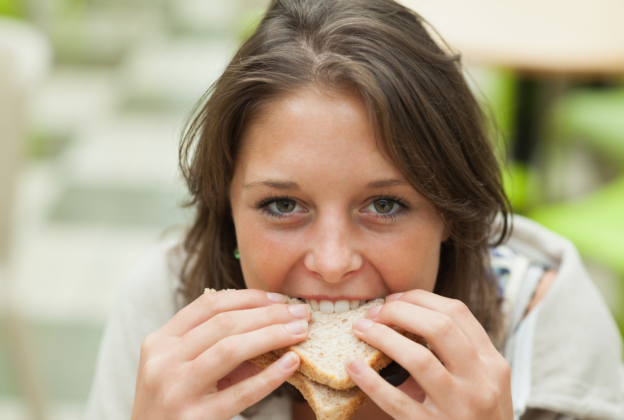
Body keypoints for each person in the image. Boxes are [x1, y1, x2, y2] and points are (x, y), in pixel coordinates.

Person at [83, 0, 624, 419]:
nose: (333, 261)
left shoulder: (549, 328)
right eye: (283, 204)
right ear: (227, 207)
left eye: (385, 204)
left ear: (452, 214)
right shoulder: (164, 309)